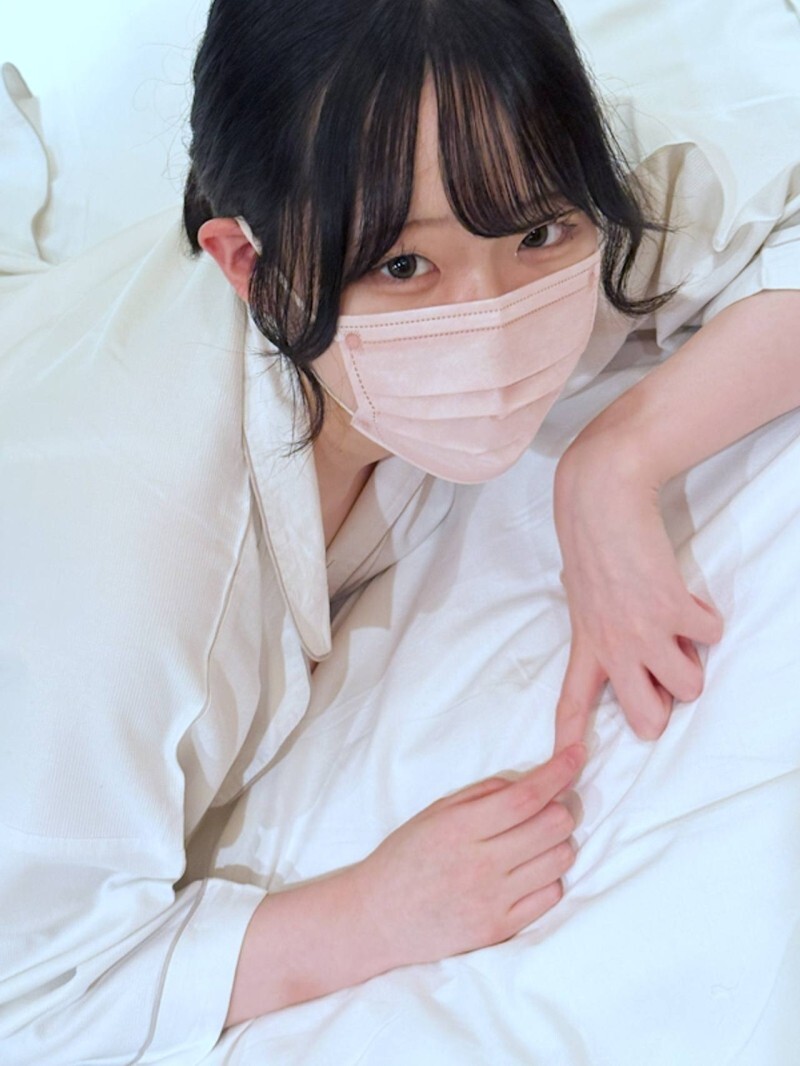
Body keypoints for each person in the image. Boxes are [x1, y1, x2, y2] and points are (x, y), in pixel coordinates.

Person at [0, 0, 797, 1061]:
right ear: (248, 266)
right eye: (403, 268)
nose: (492, 316)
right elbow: (31, 995)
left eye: (535, 236)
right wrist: (368, 915)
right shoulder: (126, 590)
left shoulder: (527, 183)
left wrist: (615, 465)